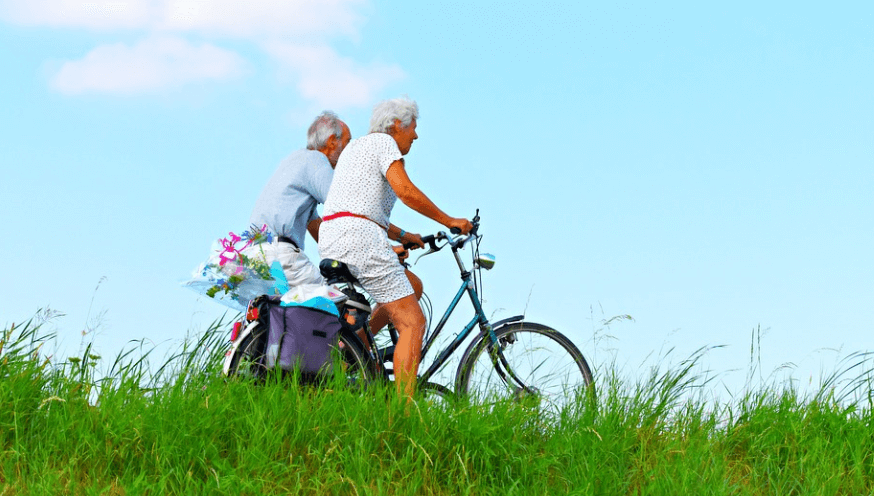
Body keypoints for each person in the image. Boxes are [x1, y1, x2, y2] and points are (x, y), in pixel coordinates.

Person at [318, 97, 472, 398]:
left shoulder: (356, 148)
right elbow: (405, 190)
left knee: (411, 285)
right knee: (413, 323)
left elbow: (358, 206)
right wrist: (449, 220)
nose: (415, 135)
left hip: (335, 236)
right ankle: (401, 416)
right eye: (413, 127)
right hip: (359, 238)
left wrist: (403, 235)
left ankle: (356, 348)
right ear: (397, 125)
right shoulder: (384, 143)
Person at [249, 111, 351, 288]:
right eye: (348, 142)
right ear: (332, 140)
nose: (350, 151)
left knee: (279, 313)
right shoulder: (317, 160)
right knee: (334, 305)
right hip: (280, 255)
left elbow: (316, 227)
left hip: (255, 255)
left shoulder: (294, 160)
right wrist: (379, 250)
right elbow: (346, 208)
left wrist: (348, 255)